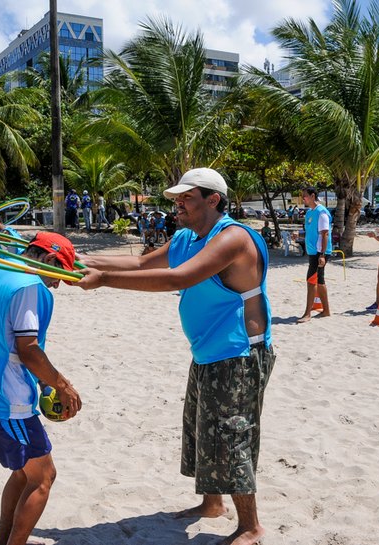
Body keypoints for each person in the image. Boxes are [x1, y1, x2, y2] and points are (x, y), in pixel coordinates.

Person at [75, 167, 274, 545]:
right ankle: (212, 504)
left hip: (239, 353)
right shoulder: (185, 238)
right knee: (202, 428)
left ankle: (251, 526)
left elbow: (178, 278)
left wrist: (103, 281)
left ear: (213, 200)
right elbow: (140, 264)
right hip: (207, 351)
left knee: (231, 436)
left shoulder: (233, 238)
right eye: (177, 199)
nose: (178, 205)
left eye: (186, 198)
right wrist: (81, 261)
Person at [0, 232, 82, 545]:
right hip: (4, 397)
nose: (57, 284)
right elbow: (28, 349)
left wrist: (42, 380)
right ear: (48, 259)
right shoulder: (29, 286)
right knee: (44, 477)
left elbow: (4, 336)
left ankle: (6, 540)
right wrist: (62, 385)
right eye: (59, 274)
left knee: (24, 473)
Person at [297, 187, 332, 323]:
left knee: (311, 280)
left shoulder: (321, 212)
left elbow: (325, 234)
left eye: (305, 196)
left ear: (313, 196)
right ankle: (326, 310)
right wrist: (299, 235)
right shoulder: (309, 213)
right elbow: (310, 232)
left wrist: (322, 254)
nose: (303, 199)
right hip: (313, 252)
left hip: (319, 252)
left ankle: (307, 313)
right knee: (319, 280)